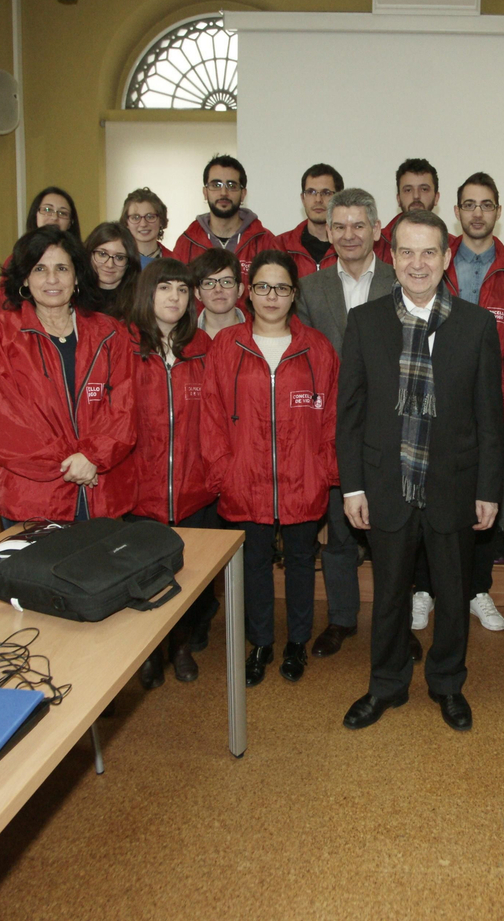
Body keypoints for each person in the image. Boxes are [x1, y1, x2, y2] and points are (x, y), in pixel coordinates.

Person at [336, 211, 504, 732]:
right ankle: (386, 685)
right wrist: (353, 486)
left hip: (453, 484)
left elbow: (489, 417)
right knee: (388, 594)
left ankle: (448, 683)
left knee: (453, 596)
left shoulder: (475, 325)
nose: (417, 263)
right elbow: (350, 413)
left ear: (447, 257)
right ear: (391, 256)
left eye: (429, 252)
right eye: (406, 252)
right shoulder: (366, 322)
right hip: (386, 483)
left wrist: (488, 489)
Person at [201, 249, 339, 687]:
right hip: (245, 480)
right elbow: (211, 415)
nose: (272, 296)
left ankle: (298, 640)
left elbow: (332, 415)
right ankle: (260, 641)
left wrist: (324, 470)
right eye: (263, 287)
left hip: (303, 478)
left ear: (294, 294)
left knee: (301, 562)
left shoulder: (317, 347)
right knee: (253, 565)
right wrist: (224, 473)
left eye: (281, 287)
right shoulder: (227, 345)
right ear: (249, 293)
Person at [294, 188, 397, 660]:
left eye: (360, 225)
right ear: (327, 230)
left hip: (392, 428)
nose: (350, 235)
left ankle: (398, 625)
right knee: (338, 530)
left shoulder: (403, 281)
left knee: (394, 533)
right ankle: (341, 619)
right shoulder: (310, 290)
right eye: (341, 226)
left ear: (377, 229)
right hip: (331, 429)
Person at [0, 228, 136, 525]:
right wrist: (71, 463)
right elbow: (2, 421)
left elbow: (123, 410)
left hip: (101, 491)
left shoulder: (110, 333)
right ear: (25, 278)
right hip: (31, 497)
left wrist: (92, 458)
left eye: (62, 268)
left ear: (77, 276)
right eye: (40, 269)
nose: (52, 279)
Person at [436, 172, 504, 631]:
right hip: (435, 408)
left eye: (486, 205)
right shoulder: (435, 261)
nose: (477, 213)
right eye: (469, 204)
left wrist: (499, 396)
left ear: (497, 211)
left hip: (497, 409)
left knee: (486, 502)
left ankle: (477, 589)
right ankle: (425, 588)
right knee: (429, 500)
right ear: (456, 211)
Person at [126, 258, 215, 687]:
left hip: (194, 490)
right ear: (148, 293)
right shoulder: (122, 348)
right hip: (140, 492)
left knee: (187, 577)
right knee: (144, 578)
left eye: (182, 290)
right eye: (165, 289)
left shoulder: (203, 349)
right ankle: (147, 654)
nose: (174, 298)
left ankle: (180, 647)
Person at [172, 154, 275, 279]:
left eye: (231, 186)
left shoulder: (266, 242)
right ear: (205, 192)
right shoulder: (186, 243)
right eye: (216, 185)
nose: (224, 193)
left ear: (243, 194)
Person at [279, 163, 343, 278]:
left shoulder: (350, 246)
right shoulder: (280, 246)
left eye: (326, 193)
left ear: (339, 198)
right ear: (303, 198)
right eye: (311, 192)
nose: (318, 200)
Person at [83, 221, 141, 322]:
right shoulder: (74, 297)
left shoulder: (140, 303)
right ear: (89, 254)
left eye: (119, 257)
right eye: (102, 254)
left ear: (130, 262)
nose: (109, 264)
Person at [379, 157, 440, 245]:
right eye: (408, 190)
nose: (416, 196)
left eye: (424, 189)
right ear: (398, 199)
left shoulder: (452, 247)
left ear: (436, 198)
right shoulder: (376, 245)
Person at [191, 247, 247, 338]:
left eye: (226, 282)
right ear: (197, 293)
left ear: (240, 289)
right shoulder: (184, 338)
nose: (218, 289)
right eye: (209, 283)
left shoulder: (256, 335)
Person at [120, 187, 170, 266]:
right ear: (126, 223)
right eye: (135, 217)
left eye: (150, 217)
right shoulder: (117, 261)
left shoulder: (175, 261)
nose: (143, 224)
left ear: (161, 220)